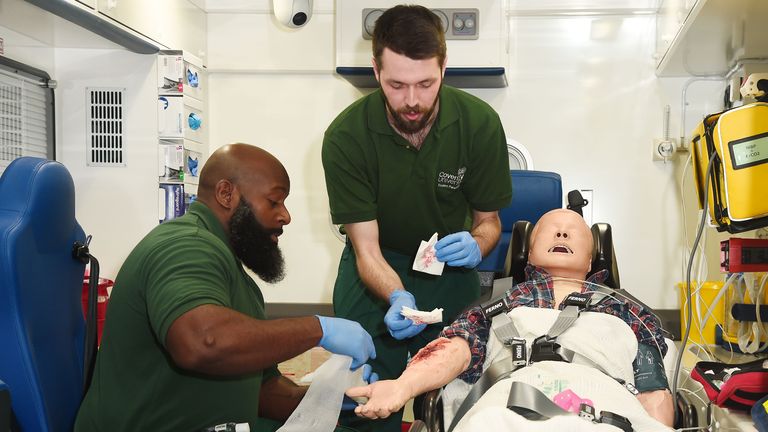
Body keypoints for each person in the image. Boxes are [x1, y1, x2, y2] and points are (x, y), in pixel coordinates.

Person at [74, 143, 376, 432]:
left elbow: (261, 390)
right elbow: (203, 342)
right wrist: (319, 330)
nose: (285, 215)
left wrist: (327, 398)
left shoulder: (234, 275)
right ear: (226, 193)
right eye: (274, 201)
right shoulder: (185, 245)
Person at [321, 5, 512, 431]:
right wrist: (397, 295)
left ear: (444, 67)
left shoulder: (479, 125)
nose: (411, 100)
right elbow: (365, 248)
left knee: (458, 394)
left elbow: (489, 224)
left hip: (448, 269)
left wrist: (476, 245)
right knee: (364, 397)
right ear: (375, 70)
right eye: (397, 84)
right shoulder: (346, 137)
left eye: (425, 84)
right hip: (375, 268)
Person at [347, 209, 675, 430]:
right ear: (528, 254)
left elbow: (652, 390)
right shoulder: (499, 303)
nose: (562, 231)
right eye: (550, 230)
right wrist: (402, 386)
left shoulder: (626, 309)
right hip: (505, 408)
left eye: (573, 231)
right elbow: (456, 349)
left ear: (591, 258)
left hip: (602, 408)